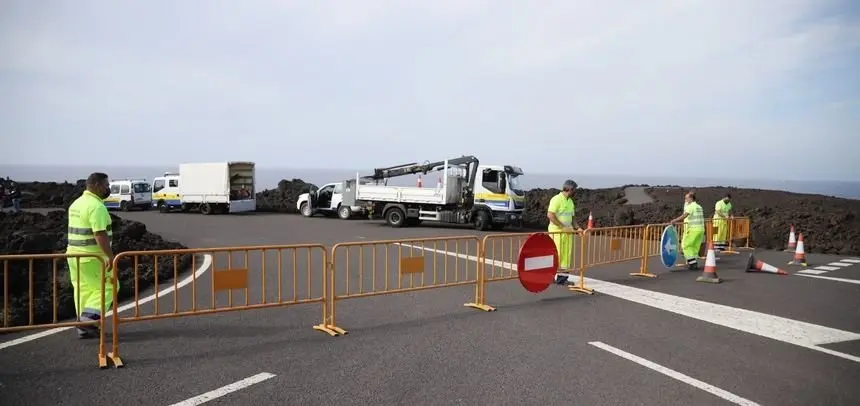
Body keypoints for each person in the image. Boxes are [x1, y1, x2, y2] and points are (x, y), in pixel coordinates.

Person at [66, 172, 115, 338]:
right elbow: (100, 234)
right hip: (93, 257)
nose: (107, 189)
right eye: (105, 185)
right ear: (95, 185)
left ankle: (84, 327)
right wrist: (109, 255)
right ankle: (87, 321)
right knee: (110, 286)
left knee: (82, 289)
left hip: (74, 255)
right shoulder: (96, 206)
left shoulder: (76, 204)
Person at [547, 179, 583, 285]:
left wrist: (577, 228)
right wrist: (562, 227)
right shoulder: (556, 199)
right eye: (574, 190)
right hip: (557, 233)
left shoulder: (570, 201)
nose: (575, 192)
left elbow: (572, 217)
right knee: (556, 254)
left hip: (568, 233)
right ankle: (550, 277)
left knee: (566, 255)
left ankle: (562, 279)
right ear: (570, 189)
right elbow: (550, 215)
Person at [670, 191, 705, 270]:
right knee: (694, 247)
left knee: (686, 246)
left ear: (691, 198)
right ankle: (693, 262)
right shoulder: (699, 207)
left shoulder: (691, 206)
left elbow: (684, 215)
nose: (685, 199)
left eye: (686, 198)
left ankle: (693, 263)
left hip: (693, 229)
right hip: (701, 229)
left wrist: (674, 220)